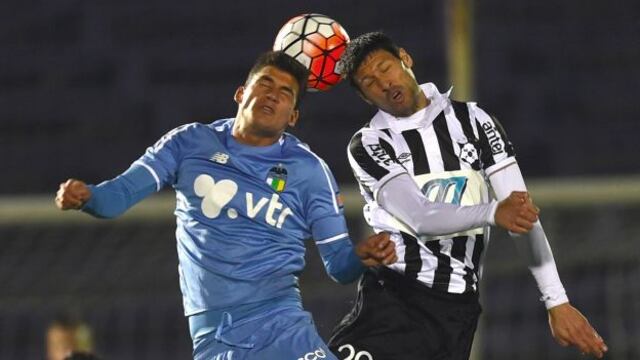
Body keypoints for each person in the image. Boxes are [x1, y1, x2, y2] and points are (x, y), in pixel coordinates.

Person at [55, 51, 398, 360]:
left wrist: (360, 256)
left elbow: (339, 265)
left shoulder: (309, 171)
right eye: (265, 84)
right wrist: (88, 196)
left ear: (293, 116)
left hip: (281, 327)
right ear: (241, 93)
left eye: (284, 93)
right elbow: (118, 197)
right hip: (213, 338)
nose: (272, 95)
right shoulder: (189, 143)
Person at [327, 32, 608, 360]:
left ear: (405, 58)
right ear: (365, 97)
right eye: (370, 82)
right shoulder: (370, 144)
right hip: (396, 297)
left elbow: (521, 214)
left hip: (456, 311)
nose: (384, 83)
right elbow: (419, 217)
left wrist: (556, 301)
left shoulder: (474, 122)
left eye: (385, 68)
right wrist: (491, 212)